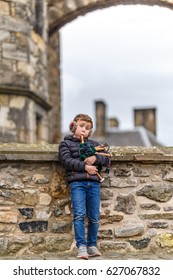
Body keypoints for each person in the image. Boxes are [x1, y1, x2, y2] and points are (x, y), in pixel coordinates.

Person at [59, 114, 110, 259]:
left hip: (94, 184)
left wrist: (96, 158)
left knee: (94, 216)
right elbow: (67, 161)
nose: (84, 130)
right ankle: (81, 247)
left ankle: (92, 246)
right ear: (74, 126)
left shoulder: (93, 145)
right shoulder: (66, 144)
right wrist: (85, 167)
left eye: (87, 128)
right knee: (80, 215)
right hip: (77, 183)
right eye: (81, 126)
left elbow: (107, 158)